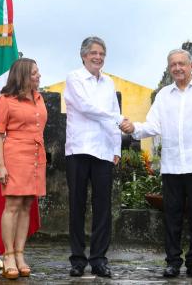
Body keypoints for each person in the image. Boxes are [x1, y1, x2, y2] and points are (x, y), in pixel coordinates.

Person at [120, 49, 192, 279]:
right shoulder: (163, 95)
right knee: (172, 216)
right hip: (172, 165)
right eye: (173, 65)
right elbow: (152, 125)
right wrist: (134, 128)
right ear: (169, 69)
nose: (177, 68)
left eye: (182, 64)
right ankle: (173, 261)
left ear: (191, 66)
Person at [64, 36, 123, 278]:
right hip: (79, 149)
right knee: (77, 205)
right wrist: (116, 118)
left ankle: (99, 259)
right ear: (84, 55)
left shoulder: (108, 83)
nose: (98, 57)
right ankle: (78, 259)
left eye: (101, 53)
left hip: (103, 150)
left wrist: (117, 148)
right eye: (94, 53)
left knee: (103, 207)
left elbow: (114, 112)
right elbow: (86, 107)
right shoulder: (74, 78)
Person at [0, 58, 47, 280]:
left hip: (36, 156)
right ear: (23, 75)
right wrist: (1, 166)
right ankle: (8, 255)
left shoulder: (39, 98)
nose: (39, 76)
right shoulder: (5, 100)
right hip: (14, 156)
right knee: (12, 204)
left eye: (38, 72)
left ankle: (21, 254)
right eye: (34, 73)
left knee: (27, 204)